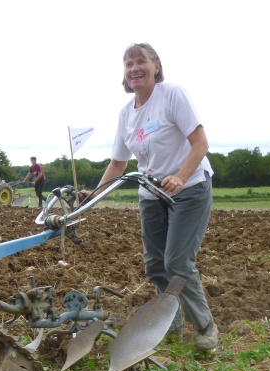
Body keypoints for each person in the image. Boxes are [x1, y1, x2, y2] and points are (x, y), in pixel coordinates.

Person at [88, 43, 218, 351]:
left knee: (176, 261)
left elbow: (200, 143)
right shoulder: (125, 114)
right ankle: (169, 324)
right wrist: (92, 195)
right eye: (128, 63)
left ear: (156, 66)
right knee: (155, 264)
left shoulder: (172, 95)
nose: (134, 68)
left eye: (141, 61)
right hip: (151, 193)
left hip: (189, 188)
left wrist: (180, 176)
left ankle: (205, 327)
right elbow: (118, 164)